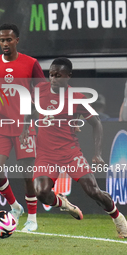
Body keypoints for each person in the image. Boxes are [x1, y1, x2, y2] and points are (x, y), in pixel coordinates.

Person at [19, 57, 127, 238]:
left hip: (70, 152)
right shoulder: (39, 91)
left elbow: (97, 123)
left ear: (68, 76)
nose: (53, 79)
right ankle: (64, 204)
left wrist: (97, 153)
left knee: (93, 191)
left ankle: (119, 219)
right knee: (41, 192)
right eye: (51, 74)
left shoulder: (76, 98)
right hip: (46, 154)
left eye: (58, 75)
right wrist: (24, 129)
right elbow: (30, 109)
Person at [0, 23, 46, 231]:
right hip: (1, 126)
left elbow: (43, 92)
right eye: (2, 40)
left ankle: (33, 219)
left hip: (25, 127)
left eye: (9, 39)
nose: (5, 43)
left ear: (17, 40)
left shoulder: (31, 63)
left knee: (28, 175)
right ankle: (15, 206)